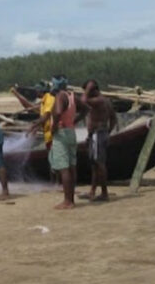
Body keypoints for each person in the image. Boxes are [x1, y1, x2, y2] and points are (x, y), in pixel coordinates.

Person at [82, 79, 118, 202]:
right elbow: (113, 119)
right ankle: (92, 191)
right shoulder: (106, 100)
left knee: (99, 163)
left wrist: (88, 89)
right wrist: (107, 132)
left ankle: (104, 193)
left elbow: (82, 102)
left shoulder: (98, 100)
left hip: (98, 134)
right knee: (95, 164)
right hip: (96, 134)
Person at [49, 75, 81, 209]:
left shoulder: (60, 96)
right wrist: (74, 121)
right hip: (71, 132)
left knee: (64, 168)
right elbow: (86, 109)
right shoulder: (71, 96)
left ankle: (68, 201)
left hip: (61, 133)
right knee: (71, 167)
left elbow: (57, 112)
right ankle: (71, 200)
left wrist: (54, 126)